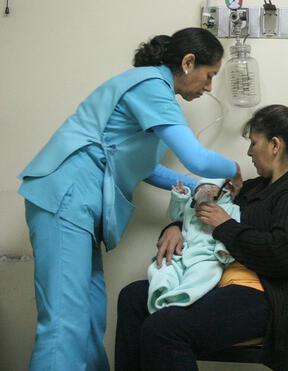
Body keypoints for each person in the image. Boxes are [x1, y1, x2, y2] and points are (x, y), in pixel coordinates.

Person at [18, 28, 242, 371]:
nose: (209, 87)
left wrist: (198, 187)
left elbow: (144, 169)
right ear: (188, 62)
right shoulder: (150, 86)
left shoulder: (151, 89)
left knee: (91, 317)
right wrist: (232, 168)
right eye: (210, 76)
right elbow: (197, 157)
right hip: (64, 198)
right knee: (65, 323)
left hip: (79, 205)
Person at [115, 103, 288, 371]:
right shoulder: (254, 188)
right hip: (222, 284)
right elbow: (206, 215)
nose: (249, 152)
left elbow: (280, 256)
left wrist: (225, 226)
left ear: (275, 145)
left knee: (164, 329)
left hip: (271, 300)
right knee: (132, 298)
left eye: (254, 143)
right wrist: (173, 227)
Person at [147, 178, 239, 314]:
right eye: (200, 189)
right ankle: (162, 291)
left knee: (202, 275)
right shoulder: (192, 207)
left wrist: (223, 249)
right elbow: (175, 216)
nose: (205, 191)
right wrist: (179, 197)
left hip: (207, 256)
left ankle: (180, 297)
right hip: (183, 252)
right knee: (162, 267)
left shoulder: (231, 208)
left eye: (210, 188)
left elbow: (231, 228)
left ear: (223, 192)